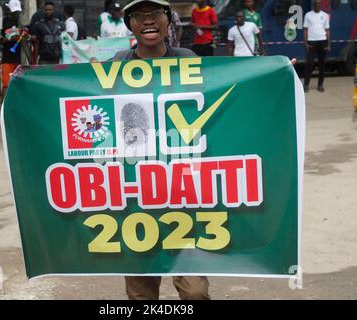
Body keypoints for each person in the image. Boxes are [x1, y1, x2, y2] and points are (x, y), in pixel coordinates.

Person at [111, 0, 209, 300]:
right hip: (136, 195)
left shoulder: (187, 59)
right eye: (139, 16)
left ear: (169, 20)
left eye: (155, 14)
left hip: (183, 193)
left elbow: (221, 102)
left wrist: (274, 76)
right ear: (129, 24)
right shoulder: (117, 64)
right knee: (141, 295)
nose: (147, 21)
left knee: (195, 293)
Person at [0, 0, 25, 119]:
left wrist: (25, 36)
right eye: (15, 12)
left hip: (20, 58)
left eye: (18, 11)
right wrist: (9, 38)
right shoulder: (3, 22)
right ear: (9, 10)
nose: (16, 14)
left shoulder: (21, 22)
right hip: (7, 58)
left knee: (19, 85)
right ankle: (3, 110)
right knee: (6, 85)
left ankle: (17, 109)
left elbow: (27, 36)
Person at [303, 0, 330, 93]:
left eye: (318, 4)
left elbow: (327, 31)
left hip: (322, 41)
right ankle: (306, 85)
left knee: (322, 64)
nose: (317, 5)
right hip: (311, 41)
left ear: (320, 5)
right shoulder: (308, 15)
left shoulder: (325, 15)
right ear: (313, 5)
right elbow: (305, 29)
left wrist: (328, 44)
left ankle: (320, 85)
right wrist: (305, 42)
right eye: (315, 4)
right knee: (310, 64)